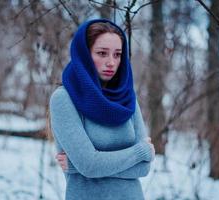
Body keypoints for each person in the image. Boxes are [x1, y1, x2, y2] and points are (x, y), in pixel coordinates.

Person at [49, 18, 155, 200]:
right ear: (84, 54)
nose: (111, 62)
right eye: (102, 53)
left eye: (117, 54)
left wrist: (80, 166)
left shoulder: (127, 98)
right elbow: (89, 165)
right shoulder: (64, 99)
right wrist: (141, 152)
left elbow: (143, 168)